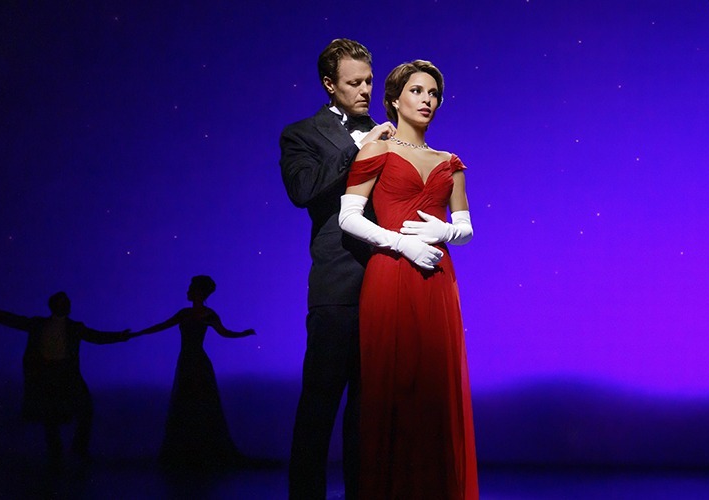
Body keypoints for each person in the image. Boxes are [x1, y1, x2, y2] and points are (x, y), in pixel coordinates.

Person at [339, 59, 477, 499]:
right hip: (390, 274)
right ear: (395, 98)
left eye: (434, 94)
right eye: (418, 91)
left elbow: (468, 228)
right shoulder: (376, 149)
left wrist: (447, 231)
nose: (428, 101)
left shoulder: (449, 162)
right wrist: (400, 244)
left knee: (436, 386)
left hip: (437, 278)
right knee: (391, 384)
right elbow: (348, 218)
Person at [279, 38, 395, 499]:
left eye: (369, 80)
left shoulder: (390, 129)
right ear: (330, 84)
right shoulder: (301, 134)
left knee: (369, 410)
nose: (366, 89)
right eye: (354, 82)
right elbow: (303, 189)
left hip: (386, 282)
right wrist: (359, 149)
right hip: (337, 283)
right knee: (320, 403)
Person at [0, 292, 132, 465]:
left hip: (67, 374)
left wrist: (120, 336)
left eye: (66, 302)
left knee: (84, 409)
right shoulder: (38, 324)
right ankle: (57, 453)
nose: (66, 305)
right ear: (54, 306)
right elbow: (8, 319)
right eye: (63, 303)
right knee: (51, 415)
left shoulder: (74, 327)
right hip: (47, 374)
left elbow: (96, 337)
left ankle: (77, 449)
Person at [133, 275, 255, 470]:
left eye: (191, 288)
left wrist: (242, 333)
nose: (188, 291)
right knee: (188, 401)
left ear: (199, 292)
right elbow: (163, 326)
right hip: (187, 361)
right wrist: (139, 333)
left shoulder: (208, 315)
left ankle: (199, 452)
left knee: (199, 401)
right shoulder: (185, 313)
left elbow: (224, 332)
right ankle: (188, 451)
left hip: (197, 362)